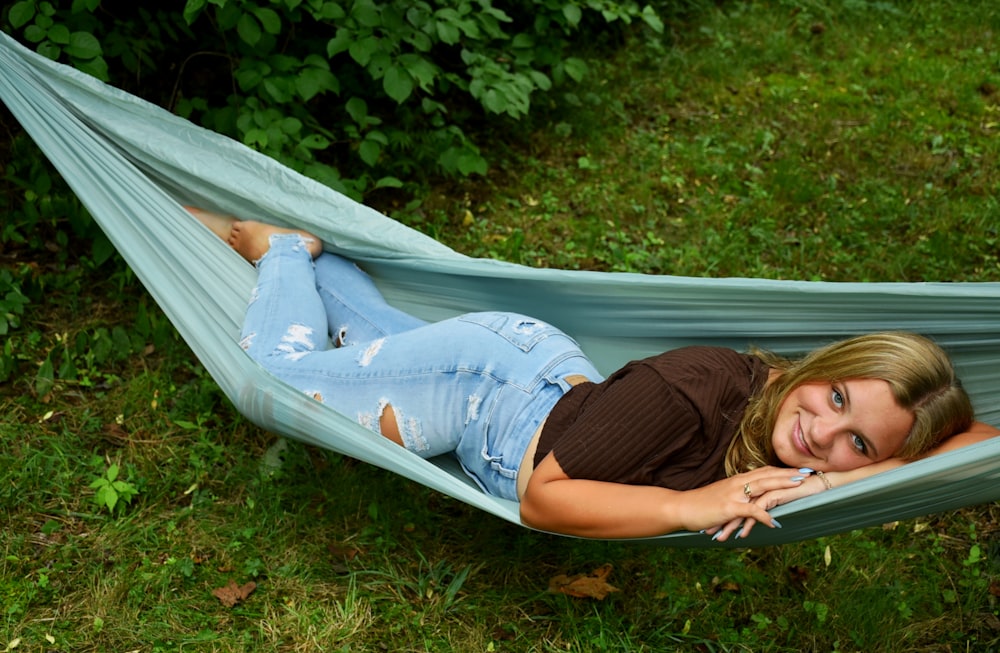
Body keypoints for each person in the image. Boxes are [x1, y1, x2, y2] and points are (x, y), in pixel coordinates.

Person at [189, 208, 1000, 541]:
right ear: (825, 367)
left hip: (545, 385)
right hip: (484, 394)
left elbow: (980, 439)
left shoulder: (815, 454)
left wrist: (844, 477)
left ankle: (331, 276)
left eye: (856, 440)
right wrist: (689, 506)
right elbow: (543, 498)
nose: (821, 432)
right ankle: (284, 248)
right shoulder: (700, 385)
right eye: (834, 397)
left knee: (371, 344)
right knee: (276, 375)